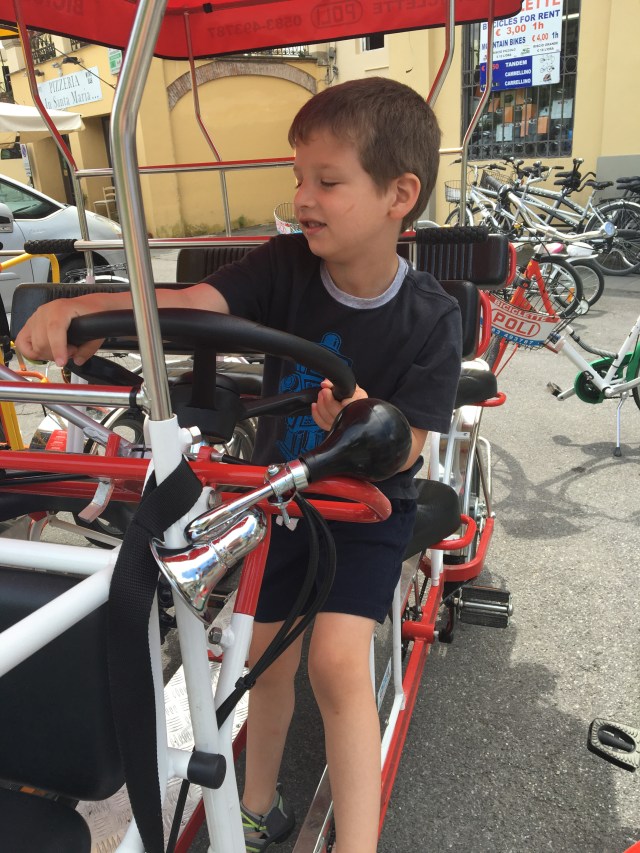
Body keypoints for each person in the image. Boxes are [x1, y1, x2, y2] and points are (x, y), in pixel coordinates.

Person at [16, 76, 462, 853]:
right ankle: (257, 804)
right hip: (278, 502)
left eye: (327, 181)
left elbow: (413, 441)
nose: (303, 197)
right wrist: (91, 309)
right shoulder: (285, 265)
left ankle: (358, 843)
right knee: (258, 657)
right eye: (299, 176)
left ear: (399, 195)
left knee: (334, 662)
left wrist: (361, 420)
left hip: (364, 512)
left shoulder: (433, 315)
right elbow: (198, 302)